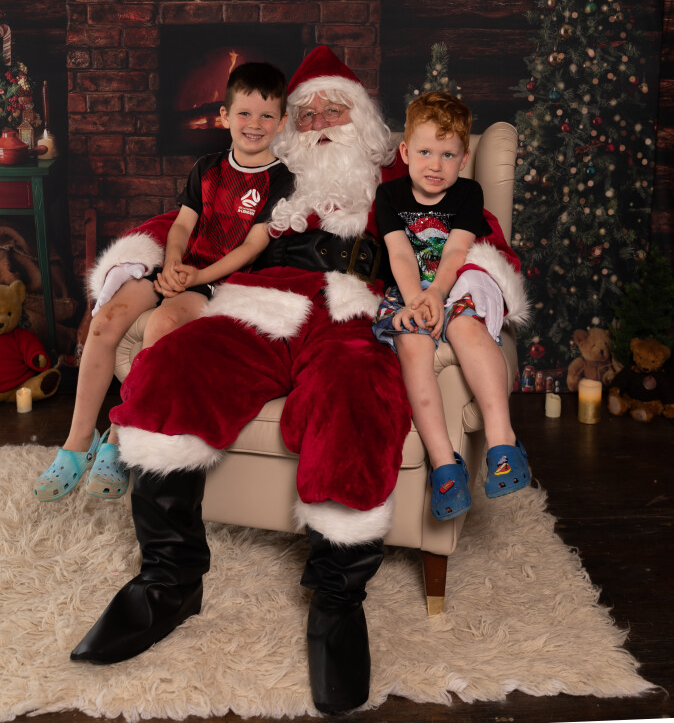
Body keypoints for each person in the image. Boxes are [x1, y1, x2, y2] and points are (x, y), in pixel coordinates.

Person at [69, 46, 528, 716]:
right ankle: (168, 580)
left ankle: (337, 602)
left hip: (354, 307)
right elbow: (191, 217)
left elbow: (477, 233)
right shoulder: (268, 174)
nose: (318, 123)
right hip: (263, 297)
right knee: (170, 369)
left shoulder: (397, 174)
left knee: (355, 398)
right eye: (306, 113)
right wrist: (143, 259)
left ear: (363, 121)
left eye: (332, 110)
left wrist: (469, 287)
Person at [34, 61, 293, 503]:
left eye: (267, 115)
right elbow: (182, 224)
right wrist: (172, 262)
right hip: (180, 266)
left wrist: (197, 276)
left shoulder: (281, 178)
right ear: (225, 116)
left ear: (282, 122)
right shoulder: (207, 167)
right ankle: (77, 441)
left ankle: (119, 435)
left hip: (218, 281)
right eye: (245, 113)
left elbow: (252, 247)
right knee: (107, 316)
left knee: (161, 325)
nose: (255, 124)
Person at [372, 91, 531, 523]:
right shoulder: (389, 196)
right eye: (425, 152)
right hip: (407, 290)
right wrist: (416, 301)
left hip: (455, 283)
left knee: (465, 328)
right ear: (405, 152)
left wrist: (439, 295)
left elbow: (457, 251)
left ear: (464, 159)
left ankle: (502, 440)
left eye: (447, 155)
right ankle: (444, 464)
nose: (435, 165)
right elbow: (399, 253)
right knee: (412, 344)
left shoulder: (468, 194)